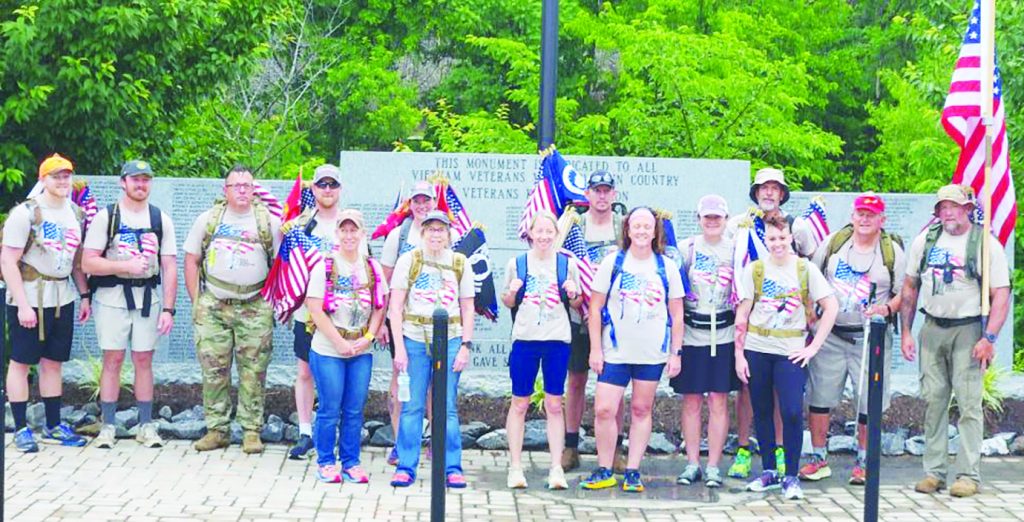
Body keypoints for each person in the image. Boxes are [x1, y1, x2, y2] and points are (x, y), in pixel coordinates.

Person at [900, 184, 1010, 498]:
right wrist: (907, 331)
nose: (948, 212)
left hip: (969, 330)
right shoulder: (926, 240)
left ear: (968, 209)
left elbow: (1000, 294)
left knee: (968, 404)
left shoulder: (985, 244)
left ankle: (967, 474)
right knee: (933, 401)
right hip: (932, 327)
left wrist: (989, 338)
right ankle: (933, 472)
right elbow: (910, 286)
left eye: (954, 206)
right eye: (943, 207)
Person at [800, 192, 904, 484]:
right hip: (831, 334)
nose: (865, 218)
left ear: (882, 219)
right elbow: (809, 275)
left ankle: (864, 461)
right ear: (852, 215)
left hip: (870, 337)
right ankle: (819, 457)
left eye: (871, 214)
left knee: (867, 401)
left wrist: (886, 308)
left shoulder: (891, 251)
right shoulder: (834, 244)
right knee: (820, 397)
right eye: (860, 213)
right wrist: (811, 316)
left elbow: (902, 292)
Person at [581, 207, 684, 493]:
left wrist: (676, 353)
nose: (641, 231)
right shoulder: (613, 262)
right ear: (627, 230)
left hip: (651, 352)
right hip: (615, 351)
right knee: (604, 409)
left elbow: (677, 314)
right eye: (636, 226)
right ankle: (604, 467)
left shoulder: (666, 266)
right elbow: (595, 306)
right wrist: (595, 349)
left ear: (655, 231)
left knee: (641, 409)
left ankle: (633, 470)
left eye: (647, 226)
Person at [734, 215, 837, 500]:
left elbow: (831, 306)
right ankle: (769, 470)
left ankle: (791, 475)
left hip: (790, 351)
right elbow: (742, 314)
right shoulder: (754, 270)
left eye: (782, 238)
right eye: (771, 239)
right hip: (757, 348)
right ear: (765, 240)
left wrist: (813, 346)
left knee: (791, 411)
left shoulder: (805, 269)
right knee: (762, 410)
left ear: (790, 237)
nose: (777, 244)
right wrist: (739, 355)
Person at [183, 164, 282, 454]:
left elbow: (282, 264)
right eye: (235, 185)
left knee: (254, 371)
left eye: (247, 185)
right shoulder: (208, 220)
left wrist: (274, 302)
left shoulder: (269, 222)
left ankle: (251, 431)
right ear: (225, 190)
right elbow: (191, 260)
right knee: (214, 369)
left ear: (254, 190)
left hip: (254, 304)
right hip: (214, 304)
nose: (241, 190)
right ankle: (217, 430)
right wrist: (197, 300)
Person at [725, 167, 817, 479]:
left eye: (774, 188)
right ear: (756, 193)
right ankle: (743, 448)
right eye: (763, 188)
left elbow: (811, 263)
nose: (768, 193)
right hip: (753, 322)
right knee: (749, 390)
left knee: (784, 395)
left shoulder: (798, 225)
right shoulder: (742, 224)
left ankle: (778, 450)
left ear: (781, 193)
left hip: (788, 323)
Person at [82, 160, 178, 449]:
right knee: (112, 359)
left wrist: (169, 309)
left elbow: (170, 265)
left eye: (146, 180)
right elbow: (88, 261)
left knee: (144, 360)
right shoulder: (107, 217)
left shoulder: (159, 218)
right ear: (123, 182)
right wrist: (123, 266)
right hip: (112, 299)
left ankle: (145, 425)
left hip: (147, 298)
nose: (140, 185)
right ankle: (108, 425)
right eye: (135, 179)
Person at [2, 153, 90, 451]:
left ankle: (53, 425)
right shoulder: (25, 213)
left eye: (66, 175)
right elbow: (7, 260)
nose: (63, 181)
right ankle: (21, 428)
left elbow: (76, 262)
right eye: (56, 176)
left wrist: (85, 295)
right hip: (29, 294)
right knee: (21, 361)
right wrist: (23, 306)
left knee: (53, 362)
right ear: (43, 179)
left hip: (61, 296)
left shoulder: (76, 214)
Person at [388, 210, 475, 488]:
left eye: (441, 229)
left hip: (449, 338)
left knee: (446, 405)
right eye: (431, 229)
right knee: (412, 405)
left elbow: (468, 307)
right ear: (423, 232)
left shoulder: (460, 263)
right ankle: (406, 465)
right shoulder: (409, 261)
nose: (436, 234)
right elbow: (395, 307)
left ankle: (452, 466)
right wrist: (399, 348)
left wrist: (465, 346)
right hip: (414, 337)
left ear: (449, 234)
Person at [304, 209, 388, 484]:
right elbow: (315, 309)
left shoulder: (372, 267)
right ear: (337, 233)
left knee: (354, 408)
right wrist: (339, 342)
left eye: (354, 230)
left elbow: (380, 305)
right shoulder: (324, 265)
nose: (349, 235)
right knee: (330, 406)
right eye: (344, 230)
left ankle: (351, 461)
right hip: (329, 349)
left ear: (362, 233)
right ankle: (326, 461)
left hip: (360, 350)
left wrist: (369, 337)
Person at [501, 210, 582, 490]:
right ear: (530, 233)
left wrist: (573, 293)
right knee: (519, 402)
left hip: (557, 340)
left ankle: (556, 468)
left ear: (556, 234)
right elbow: (508, 302)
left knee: (554, 403)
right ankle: (515, 466)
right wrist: (512, 291)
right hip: (525, 339)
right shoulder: (518, 263)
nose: (545, 236)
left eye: (550, 232)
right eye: (540, 231)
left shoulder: (566, 265)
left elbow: (576, 303)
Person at [377, 180, 451, 465]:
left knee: (435, 384)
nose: (422, 206)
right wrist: (382, 322)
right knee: (401, 381)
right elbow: (385, 281)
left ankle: (435, 440)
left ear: (435, 202)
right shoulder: (399, 235)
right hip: (404, 323)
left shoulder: (446, 234)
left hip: (441, 325)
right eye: (417, 201)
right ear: (410, 203)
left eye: (427, 200)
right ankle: (400, 442)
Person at [670, 195, 739, 488]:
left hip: (723, 332)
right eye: (707, 217)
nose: (712, 222)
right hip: (693, 333)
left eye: (717, 217)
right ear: (699, 219)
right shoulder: (687, 248)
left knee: (719, 400)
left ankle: (713, 464)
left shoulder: (736, 250)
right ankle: (692, 462)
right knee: (692, 400)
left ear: (725, 219)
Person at [563, 170, 629, 474]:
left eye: (606, 191)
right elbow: (562, 264)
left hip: (615, 319)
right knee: (576, 380)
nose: (601, 196)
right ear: (587, 194)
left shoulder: (622, 227)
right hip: (580, 316)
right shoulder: (573, 225)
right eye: (596, 191)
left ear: (613, 195)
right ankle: (571, 445)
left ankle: (615, 449)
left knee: (614, 385)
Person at [284, 164, 345, 460]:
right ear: (314, 189)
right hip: (307, 312)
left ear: (340, 189)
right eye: (322, 184)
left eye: (333, 184)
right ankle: (306, 432)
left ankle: (338, 431)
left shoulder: (349, 225)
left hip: (342, 313)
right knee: (305, 371)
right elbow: (286, 266)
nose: (328, 190)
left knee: (339, 373)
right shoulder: (300, 225)